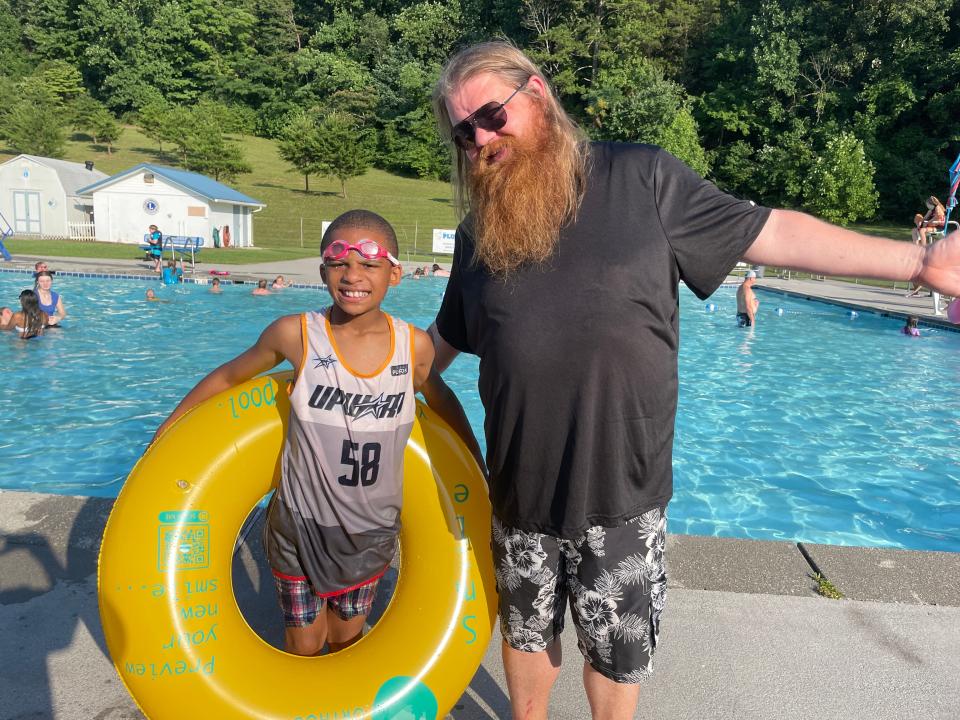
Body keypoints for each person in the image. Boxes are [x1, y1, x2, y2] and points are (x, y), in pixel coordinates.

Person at [427, 40, 960, 720]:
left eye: (492, 116)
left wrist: (915, 265)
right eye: (463, 132)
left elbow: (771, 234)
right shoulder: (482, 232)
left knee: (614, 656)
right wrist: (340, 357)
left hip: (619, 494)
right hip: (519, 495)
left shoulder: (640, 179)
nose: (480, 139)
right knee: (527, 636)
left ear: (536, 95)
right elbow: (439, 345)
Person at [152, 209, 484, 657]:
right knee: (304, 642)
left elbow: (442, 401)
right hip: (298, 525)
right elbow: (229, 378)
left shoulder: (414, 347)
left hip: (370, 530)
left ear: (395, 274)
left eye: (369, 264)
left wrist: (475, 465)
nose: (353, 276)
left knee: (347, 639)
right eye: (338, 262)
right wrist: (166, 432)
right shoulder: (296, 334)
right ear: (322, 268)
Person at [907, 196, 947, 296]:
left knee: (922, 230)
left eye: (927, 204)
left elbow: (939, 221)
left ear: (932, 204)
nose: (927, 206)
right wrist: (921, 222)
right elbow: (925, 218)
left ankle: (924, 247)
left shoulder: (938, 210)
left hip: (935, 228)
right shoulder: (931, 210)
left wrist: (927, 223)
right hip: (928, 226)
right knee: (915, 230)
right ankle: (916, 246)